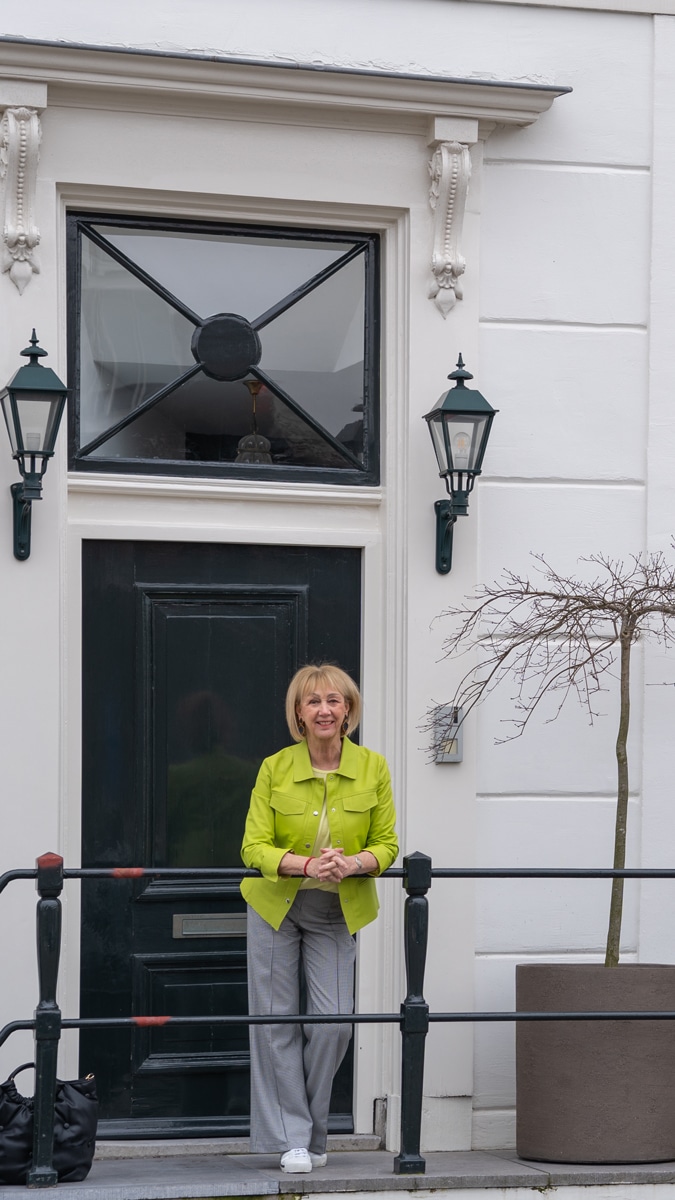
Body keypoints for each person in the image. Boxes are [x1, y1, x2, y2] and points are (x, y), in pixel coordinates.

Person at [240, 663, 398, 1175]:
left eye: (335, 700)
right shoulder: (274, 768)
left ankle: (309, 1130)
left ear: (348, 710)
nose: (325, 709)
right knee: (275, 1022)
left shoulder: (373, 767)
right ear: (299, 714)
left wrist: (353, 863)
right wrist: (306, 864)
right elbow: (253, 846)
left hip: (336, 909)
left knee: (332, 1025)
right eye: (314, 702)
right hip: (275, 906)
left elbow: (388, 845)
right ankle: (291, 1139)